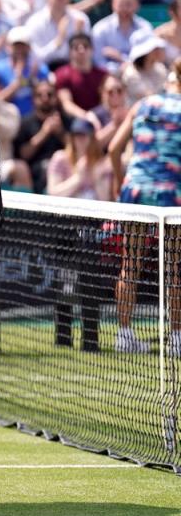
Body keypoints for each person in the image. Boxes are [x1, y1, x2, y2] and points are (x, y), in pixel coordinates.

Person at [109, 68, 181, 354]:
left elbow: (114, 149)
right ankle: (177, 339)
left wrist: (120, 184)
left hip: (135, 190)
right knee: (176, 270)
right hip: (173, 194)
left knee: (130, 264)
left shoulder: (143, 105)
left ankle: (124, 335)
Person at [13, 82, 69, 193]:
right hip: (35, 172)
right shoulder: (26, 122)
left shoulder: (66, 120)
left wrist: (60, 133)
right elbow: (23, 154)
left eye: (49, 94)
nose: (45, 98)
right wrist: (44, 132)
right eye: (40, 95)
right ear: (33, 99)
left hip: (64, 169)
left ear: (56, 97)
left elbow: (77, 149)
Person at [26, 0, 91, 70]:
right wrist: (58, 41)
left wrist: (78, 37)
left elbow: (88, 56)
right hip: (45, 70)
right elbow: (36, 59)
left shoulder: (80, 19)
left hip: (73, 69)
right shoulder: (34, 22)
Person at [46, 117, 113, 200]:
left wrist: (97, 178)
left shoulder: (102, 164)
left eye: (84, 135)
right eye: (76, 135)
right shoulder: (60, 158)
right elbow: (52, 194)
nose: (80, 140)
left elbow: (105, 201)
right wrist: (78, 178)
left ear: (92, 138)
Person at [91, 0, 153, 73]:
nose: (124, 9)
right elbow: (98, 61)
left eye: (128, 5)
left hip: (139, 74)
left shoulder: (145, 27)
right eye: (120, 5)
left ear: (138, 5)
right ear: (113, 5)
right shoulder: (100, 29)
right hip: (108, 76)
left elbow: (148, 58)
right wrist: (117, 71)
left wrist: (122, 59)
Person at [54, 34, 108, 116]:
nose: (81, 50)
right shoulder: (62, 74)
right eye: (76, 48)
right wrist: (87, 117)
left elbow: (108, 101)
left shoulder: (103, 75)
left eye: (85, 46)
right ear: (70, 51)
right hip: (75, 120)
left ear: (92, 49)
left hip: (101, 116)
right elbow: (66, 104)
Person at [122, 31, 168, 105]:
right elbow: (150, 98)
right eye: (154, 48)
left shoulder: (160, 68)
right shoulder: (131, 74)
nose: (158, 50)